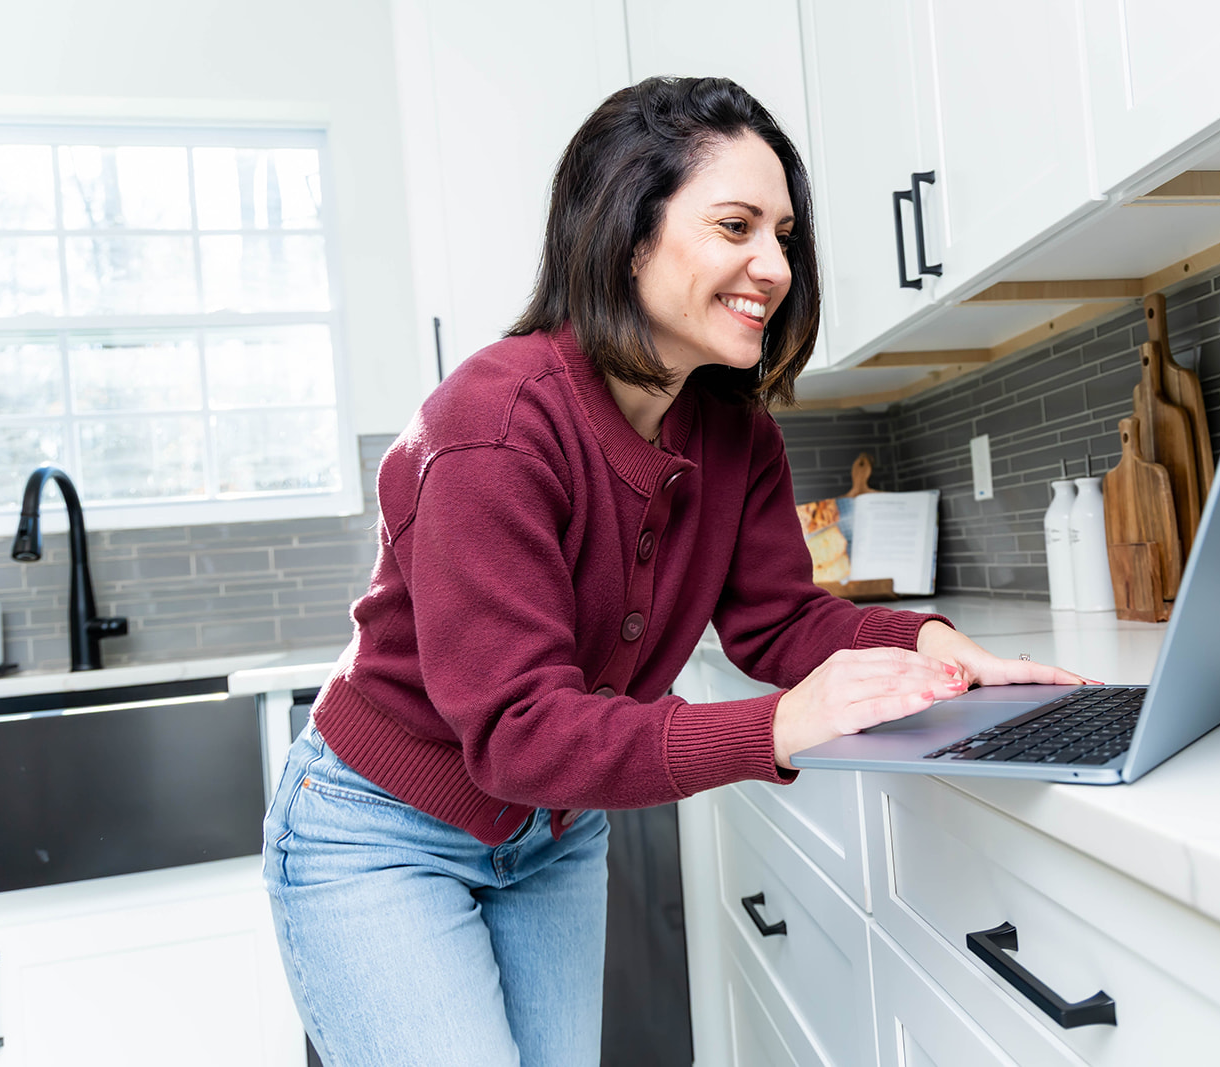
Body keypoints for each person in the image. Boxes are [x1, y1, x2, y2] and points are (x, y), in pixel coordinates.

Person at [262, 76, 1090, 1067]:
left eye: (784, 234)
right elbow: (519, 731)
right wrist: (780, 723)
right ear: (627, 234)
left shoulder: (733, 431)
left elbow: (777, 620)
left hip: (552, 834)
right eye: (736, 224)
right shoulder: (493, 428)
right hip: (379, 831)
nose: (773, 264)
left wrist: (932, 644)